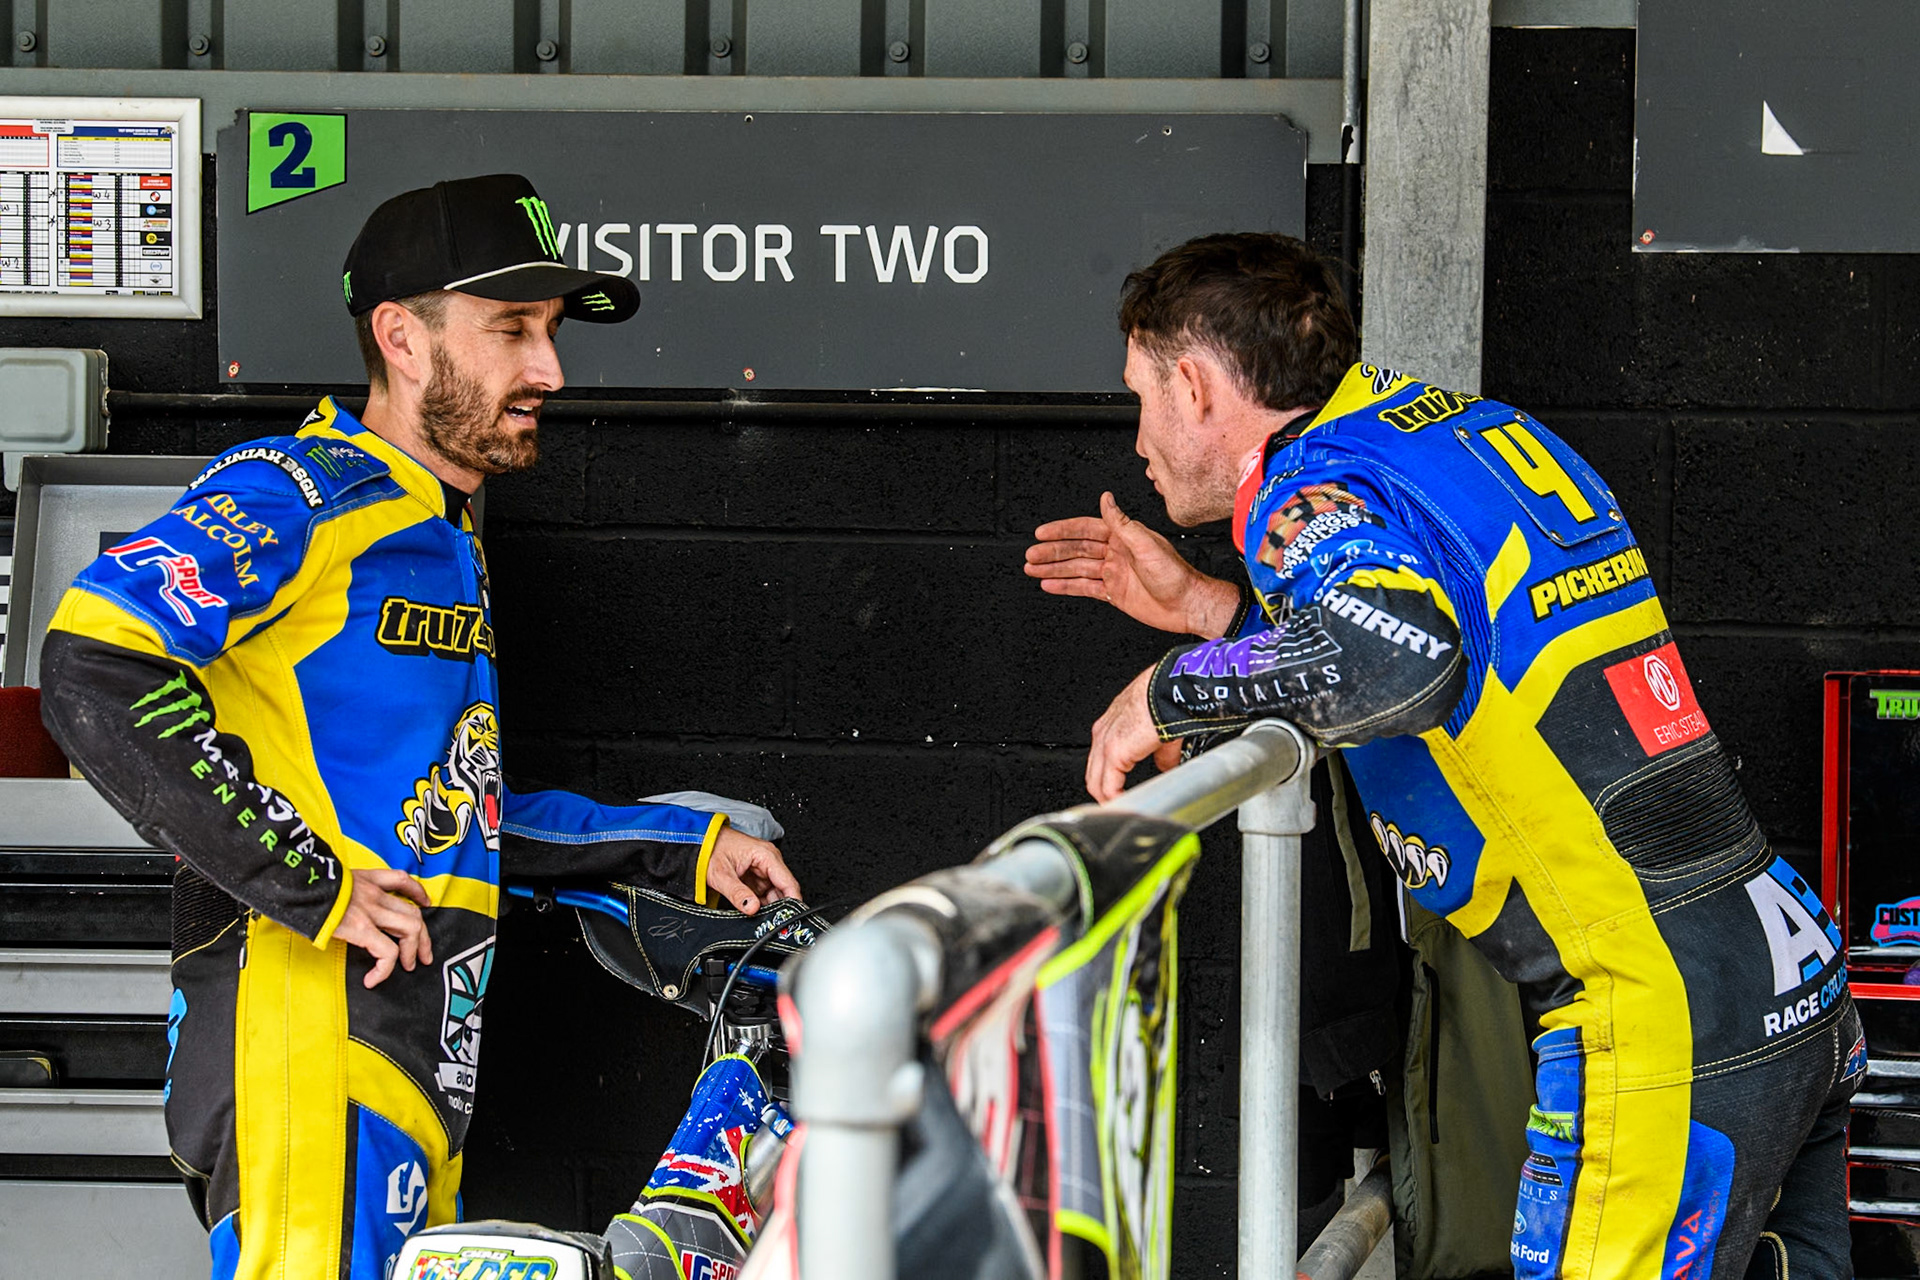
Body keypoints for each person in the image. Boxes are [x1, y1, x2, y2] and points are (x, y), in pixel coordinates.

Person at [1024, 232, 1862, 1280]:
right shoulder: (1448, 433)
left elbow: (1394, 662)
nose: (1139, 437)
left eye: (1142, 394)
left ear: (1195, 385)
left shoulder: (1302, 488)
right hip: (1783, 967)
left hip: (1656, 1010)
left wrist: (1165, 691)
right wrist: (1209, 611)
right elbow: (1454, 652)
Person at [37, 173, 801, 1280]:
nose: (548, 369)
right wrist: (318, 884)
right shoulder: (304, 490)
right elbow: (89, 665)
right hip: (308, 1038)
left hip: (406, 1048)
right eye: (511, 331)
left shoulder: (438, 528)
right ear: (400, 335)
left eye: (547, 333)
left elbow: (445, 808)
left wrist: (678, 848)